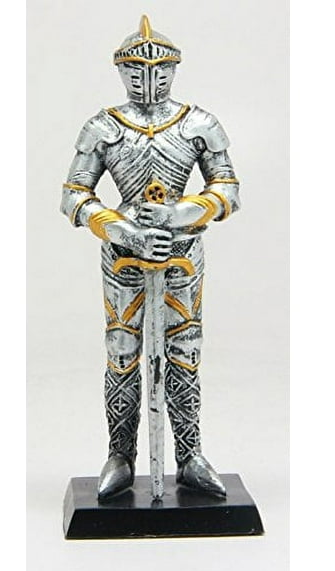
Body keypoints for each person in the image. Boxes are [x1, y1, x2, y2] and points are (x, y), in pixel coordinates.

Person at [61, 15, 241, 499]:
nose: (148, 78)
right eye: (136, 70)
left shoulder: (199, 123)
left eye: (160, 70)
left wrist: (182, 212)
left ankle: (191, 455)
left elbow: (227, 188)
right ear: (121, 70)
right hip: (124, 256)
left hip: (182, 254)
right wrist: (123, 229)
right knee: (122, 350)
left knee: (185, 350)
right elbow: (74, 195)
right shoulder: (103, 127)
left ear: (174, 69)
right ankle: (120, 455)